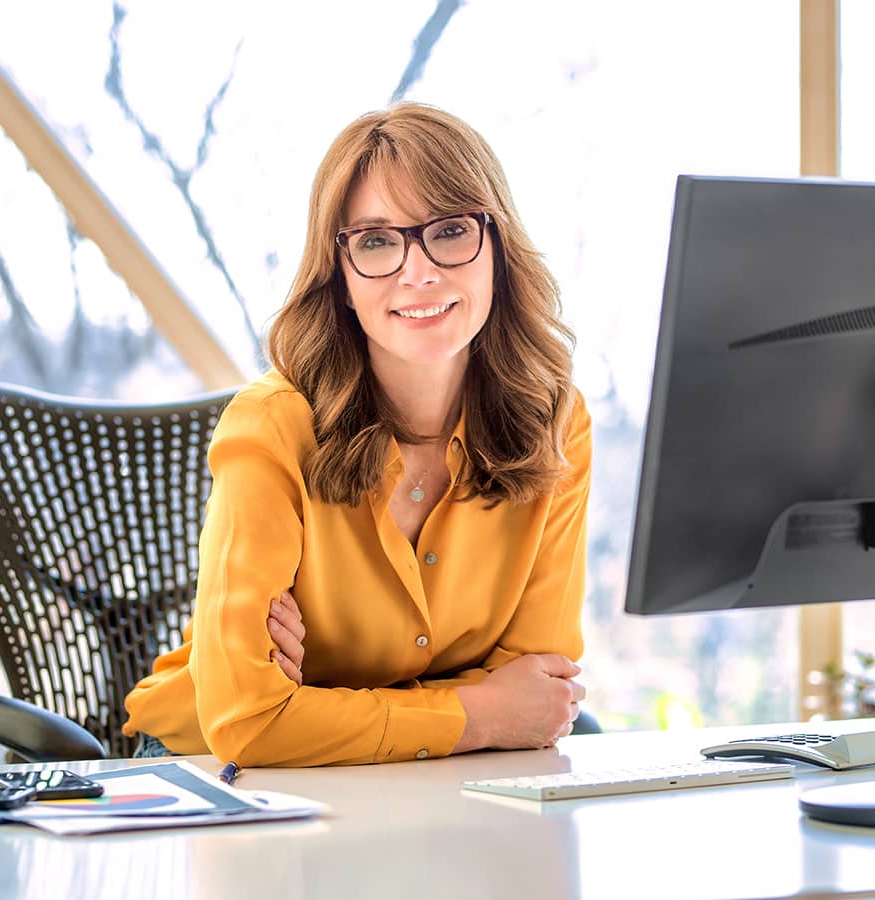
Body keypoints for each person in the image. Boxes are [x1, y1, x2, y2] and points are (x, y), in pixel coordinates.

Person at [122, 102, 592, 766]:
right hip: (199, 774)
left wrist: (317, 706)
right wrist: (479, 709)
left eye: (451, 230)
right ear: (340, 276)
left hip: (418, 778)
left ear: (499, 248)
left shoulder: (556, 423)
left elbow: (538, 694)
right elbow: (249, 722)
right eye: (375, 241)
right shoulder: (273, 428)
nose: (418, 271)